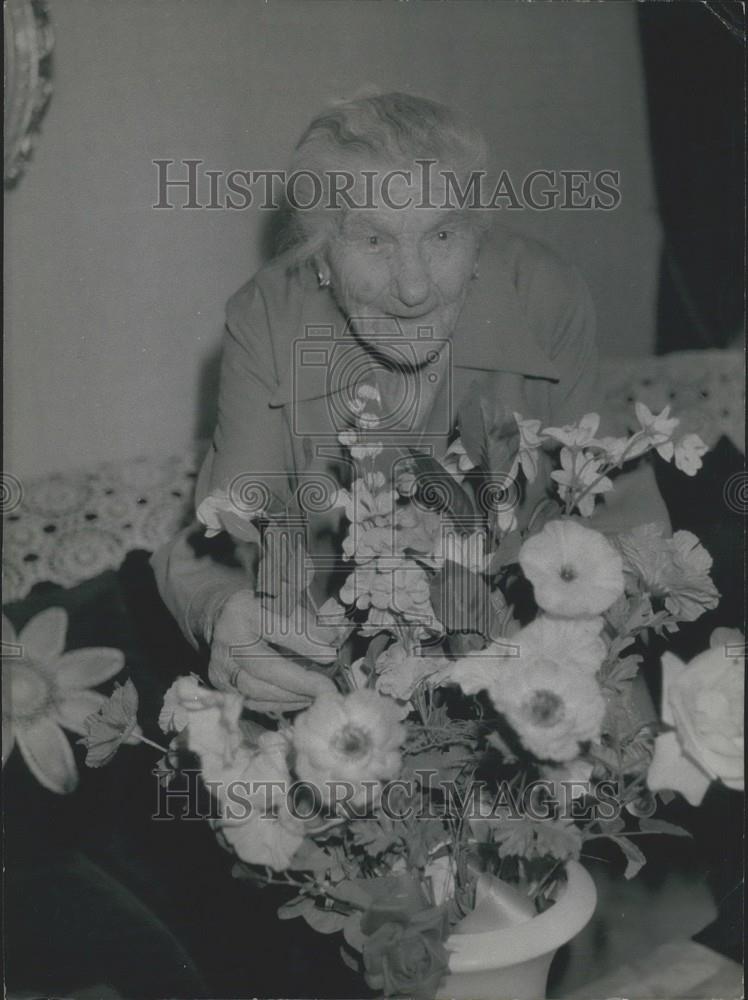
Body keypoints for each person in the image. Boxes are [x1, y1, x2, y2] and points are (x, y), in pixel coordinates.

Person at [152, 91, 669, 714]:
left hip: (547, 661)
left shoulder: (542, 295)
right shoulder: (268, 321)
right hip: (342, 684)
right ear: (319, 256)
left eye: (443, 234)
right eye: (373, 240)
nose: (416, 287)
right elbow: (222, 540)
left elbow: (623, 524)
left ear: (477, 238)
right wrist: (223, 614)